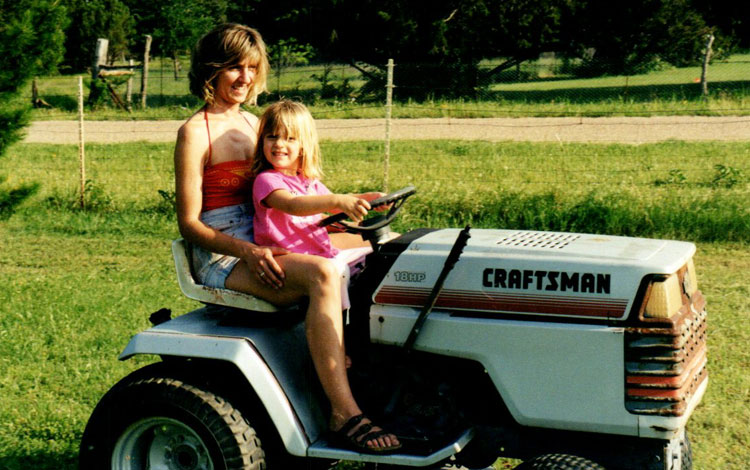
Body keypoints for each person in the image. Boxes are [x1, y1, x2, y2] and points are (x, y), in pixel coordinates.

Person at [174, 23, 401, 453]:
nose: (244, 77)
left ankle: (379, 374)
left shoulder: (254, 123)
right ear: (211, 69)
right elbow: (190, 224)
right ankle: (344, 412)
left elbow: (291, 190)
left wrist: (343, 212)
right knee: (320, 274)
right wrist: (247, 250)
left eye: (251, 68)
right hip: (225, 254)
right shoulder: (195, 132)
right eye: (233, 67)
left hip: (272, 237)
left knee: (387, 250)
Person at [251, 100, 382, 309]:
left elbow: (335, 207)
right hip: (289, 259)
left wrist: (368, 198)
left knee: (383, 251)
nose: (278, 144)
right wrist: (337, 199)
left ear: (303, 146)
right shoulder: (267, 181)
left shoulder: (307, 181)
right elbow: (293, 205)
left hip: (318, 253)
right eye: (272, 136)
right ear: (262, 142)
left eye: (290, 138)